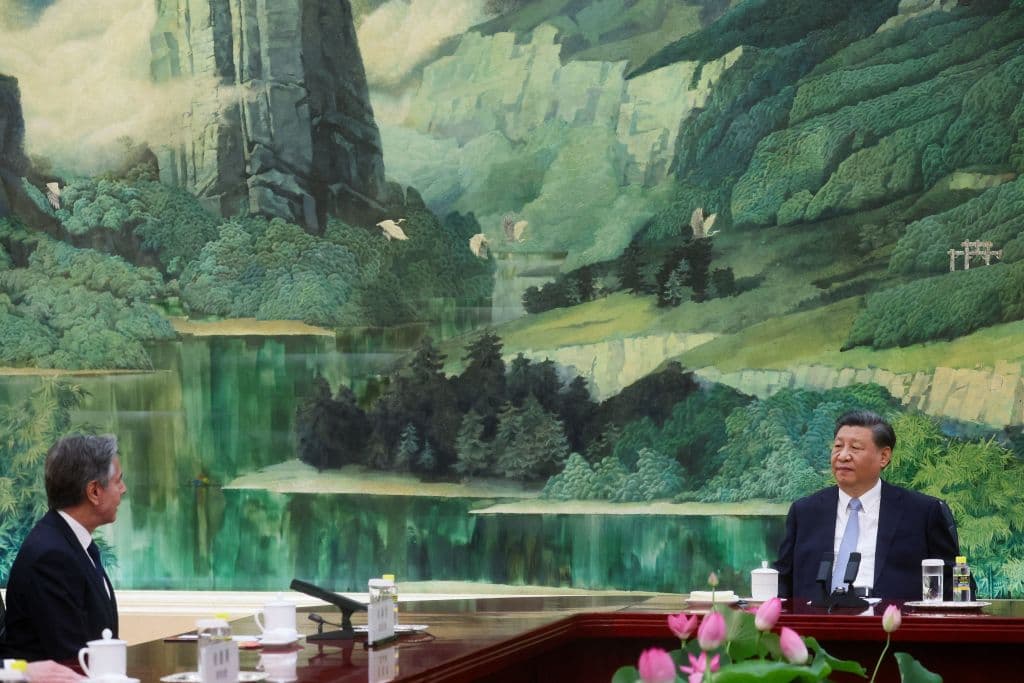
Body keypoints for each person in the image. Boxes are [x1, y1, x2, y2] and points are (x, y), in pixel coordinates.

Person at [775, 410, 961, 601]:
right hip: (818, 626)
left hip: (893, 626)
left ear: (884, 456)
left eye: (855, 448)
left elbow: (956, 585)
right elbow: (782, 580)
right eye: (838, 446)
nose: (843, 456)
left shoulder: (922, 513)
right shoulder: (805, 512)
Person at [1, 434, 126, 662]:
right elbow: (70, 656)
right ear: (94, 491)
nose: (123, 489)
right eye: (118, 481)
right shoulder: (50, 556)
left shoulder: (72, 542)